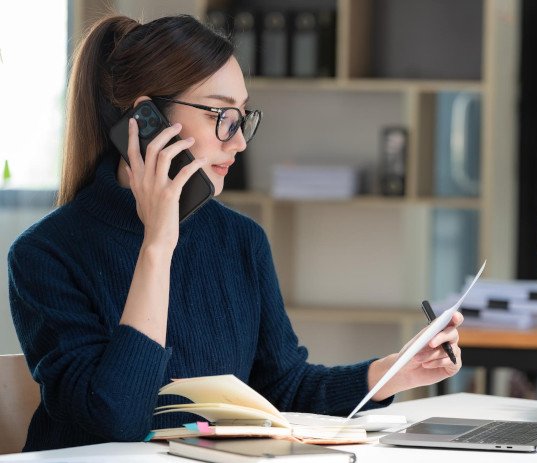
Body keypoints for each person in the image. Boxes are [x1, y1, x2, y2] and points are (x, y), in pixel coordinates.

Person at [8, 14, 463, 452]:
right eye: (220, 115)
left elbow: (282, 387)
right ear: (146, 121)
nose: (240, 140)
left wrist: (392, 372)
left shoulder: (239, 240)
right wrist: (158, 245)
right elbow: (118, 420)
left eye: (242, 116)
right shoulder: (45, 255)